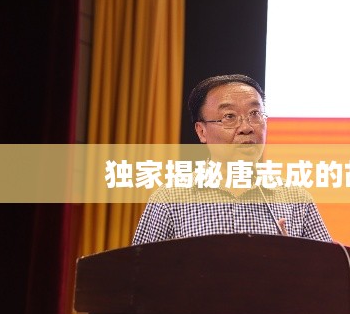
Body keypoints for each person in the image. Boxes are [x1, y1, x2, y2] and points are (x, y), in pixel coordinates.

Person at [132, 74, 332, 244]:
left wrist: (296, 262)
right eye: (229, 116)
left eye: (255, 114)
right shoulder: (169, 200)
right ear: (201, 131)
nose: (246, 127)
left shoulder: (296, 199)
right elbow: (136, 272)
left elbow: (331, 271)